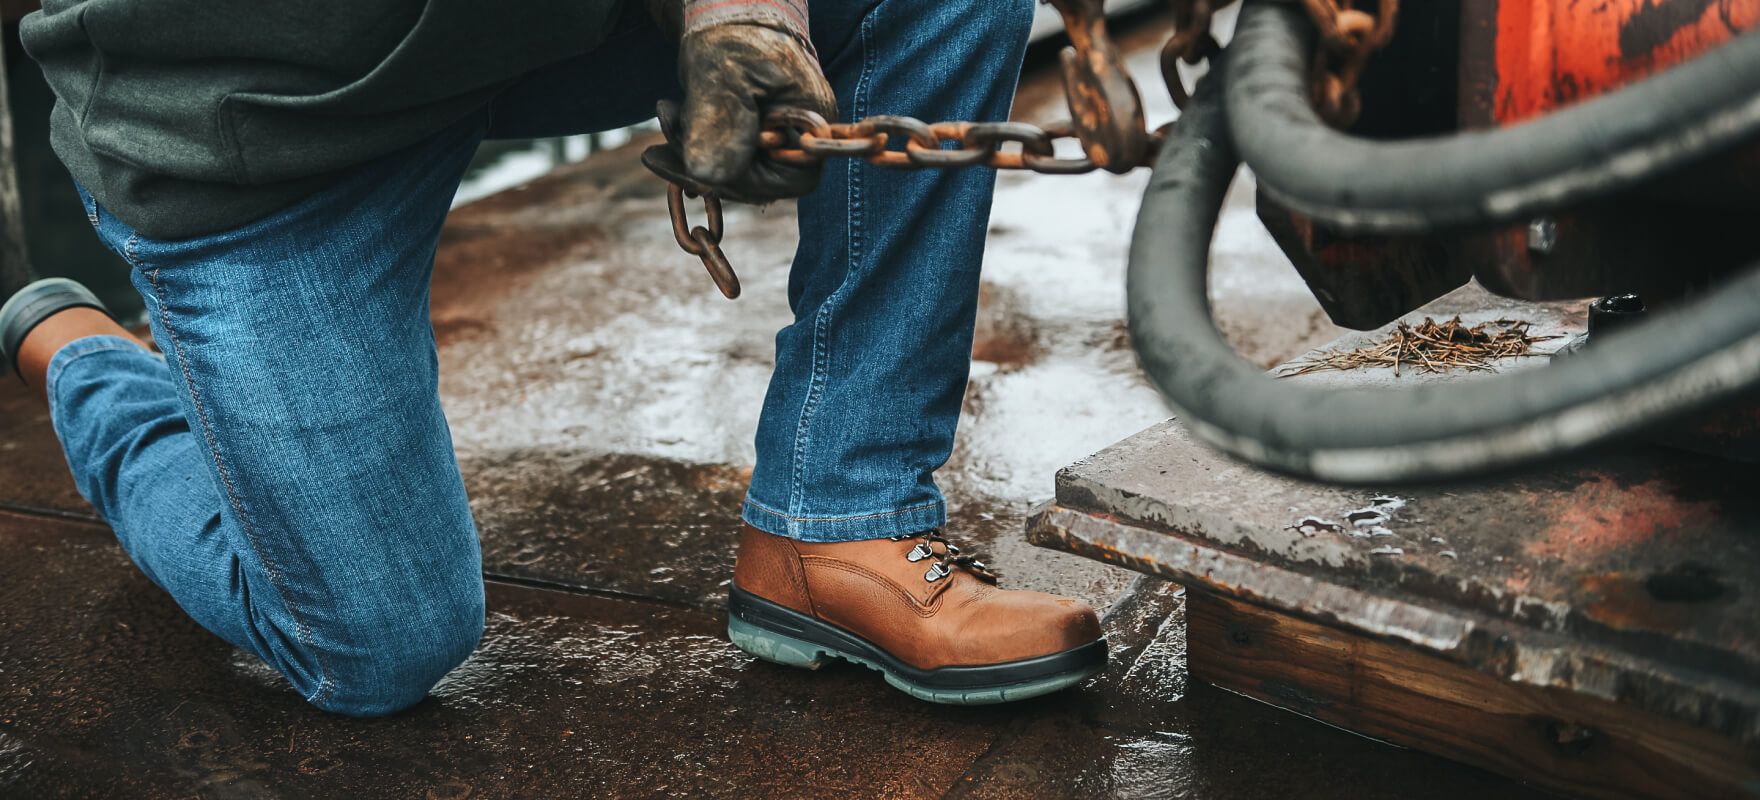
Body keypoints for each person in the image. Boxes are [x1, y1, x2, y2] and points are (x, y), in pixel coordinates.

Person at [0, 0, 1106, 716]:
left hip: (531, 31)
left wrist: (741, 15)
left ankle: (836, 521)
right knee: (377, 648)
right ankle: (81, 352)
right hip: (248, 120)